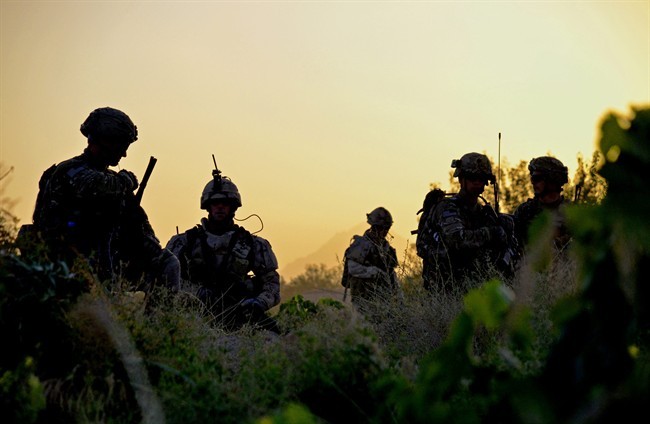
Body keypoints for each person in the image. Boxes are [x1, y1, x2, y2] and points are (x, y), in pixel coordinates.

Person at [24, 106, 180, 291]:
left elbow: (140, 227)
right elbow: (94, 185)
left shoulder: (114, 183)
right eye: (121, 146)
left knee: (168, 263)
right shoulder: (70, 170)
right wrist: (125, 181)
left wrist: (147, 250)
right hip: (65, 267)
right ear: (106, 140)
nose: (124, 154)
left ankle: (155, 319)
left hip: (107, 267)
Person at [166, 170, 281, 333]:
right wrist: (195, 294)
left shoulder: (252, 244)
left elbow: (271, 282)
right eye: (215, 203)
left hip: (240, 315)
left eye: (225, 203)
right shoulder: (185, 242)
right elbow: (165, 279)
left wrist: (258, 303)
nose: (220, 207)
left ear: (233, 207)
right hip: (193, 317)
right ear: (208, 206)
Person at [416, 152, 517, 294]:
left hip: (477, 289)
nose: (477, 182)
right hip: (446, 289)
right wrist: (491, 233)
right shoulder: (447, 208)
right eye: (472, 178)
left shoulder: (485, 213)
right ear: (461, 179)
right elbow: (457, 239)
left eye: (481, 178)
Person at [341, 207, 401, 313]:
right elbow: (352, 268)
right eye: (382, 228)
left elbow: (392, 274)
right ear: (375, 227)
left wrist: (399, 297)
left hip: (383, 299)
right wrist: (373, 271)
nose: (385, 232)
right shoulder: (361, 245)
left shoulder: (387, 249)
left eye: (387, 228)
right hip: (363, 298)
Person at [513, 156, 571, 252]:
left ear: (552, 180)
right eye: (532, 178)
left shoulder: (571, 212)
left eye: (537, 178)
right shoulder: (525, 211)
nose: (533, 183)